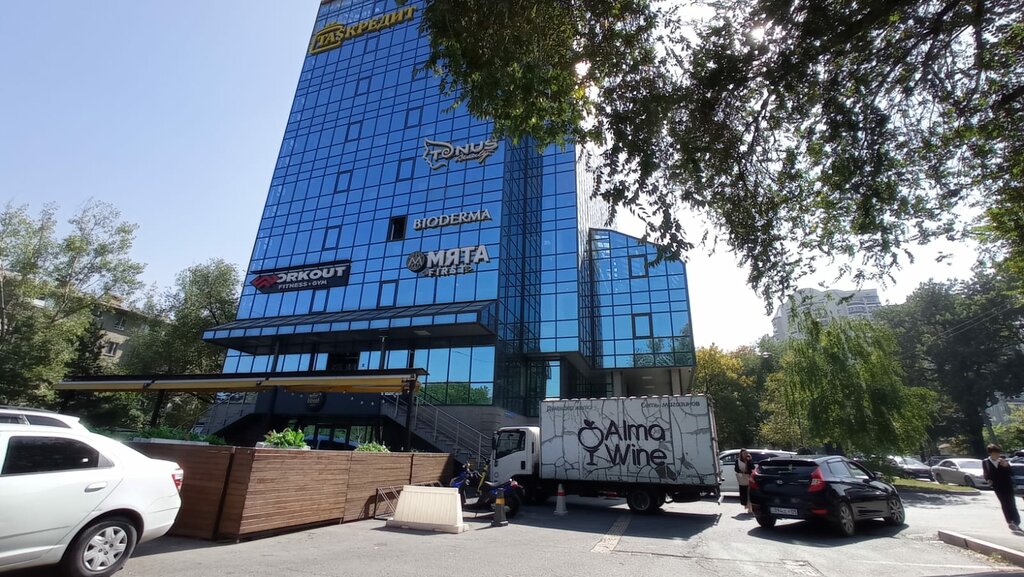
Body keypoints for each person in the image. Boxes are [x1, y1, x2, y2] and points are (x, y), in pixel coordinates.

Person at [983, 443, 1022, 533]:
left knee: (1011, 503)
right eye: (995, 453)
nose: (997, 455)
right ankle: (1010, 521)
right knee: (1004, 503)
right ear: (990, 453)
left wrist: (1006, 466)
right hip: (997, 486)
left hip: (1007, 485)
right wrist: (988, 479)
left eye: (998, 453)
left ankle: (1016, 521)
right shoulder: (986, 462)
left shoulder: (1003, 460)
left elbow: (1011, 473)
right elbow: (986, 473)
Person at [735, 449, 754, 515]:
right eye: (743, 453)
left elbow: (752, 467)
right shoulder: (738, 460)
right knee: (744, 493)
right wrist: (741, 471)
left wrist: (750, 460)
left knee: (749, 493)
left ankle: (750, 508)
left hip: (749, 478)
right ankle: (747, 506)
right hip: (742, 479)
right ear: (741, 454)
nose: (745, 455)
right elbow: (736, 469)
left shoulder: (749, 460)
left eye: (746, 453)